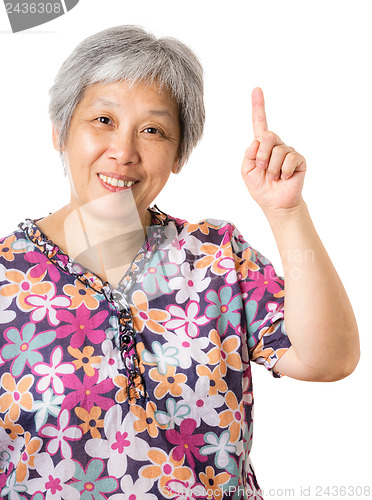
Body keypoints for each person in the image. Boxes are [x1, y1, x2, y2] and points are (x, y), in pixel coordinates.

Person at [0, 25, 359, 499]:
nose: (124, 152)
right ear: (59, 132)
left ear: (178, 155)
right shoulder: (7, 276)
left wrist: (286, 212)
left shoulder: (216, 256)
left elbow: (328, 359)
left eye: (153, 130)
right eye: (103, 120)